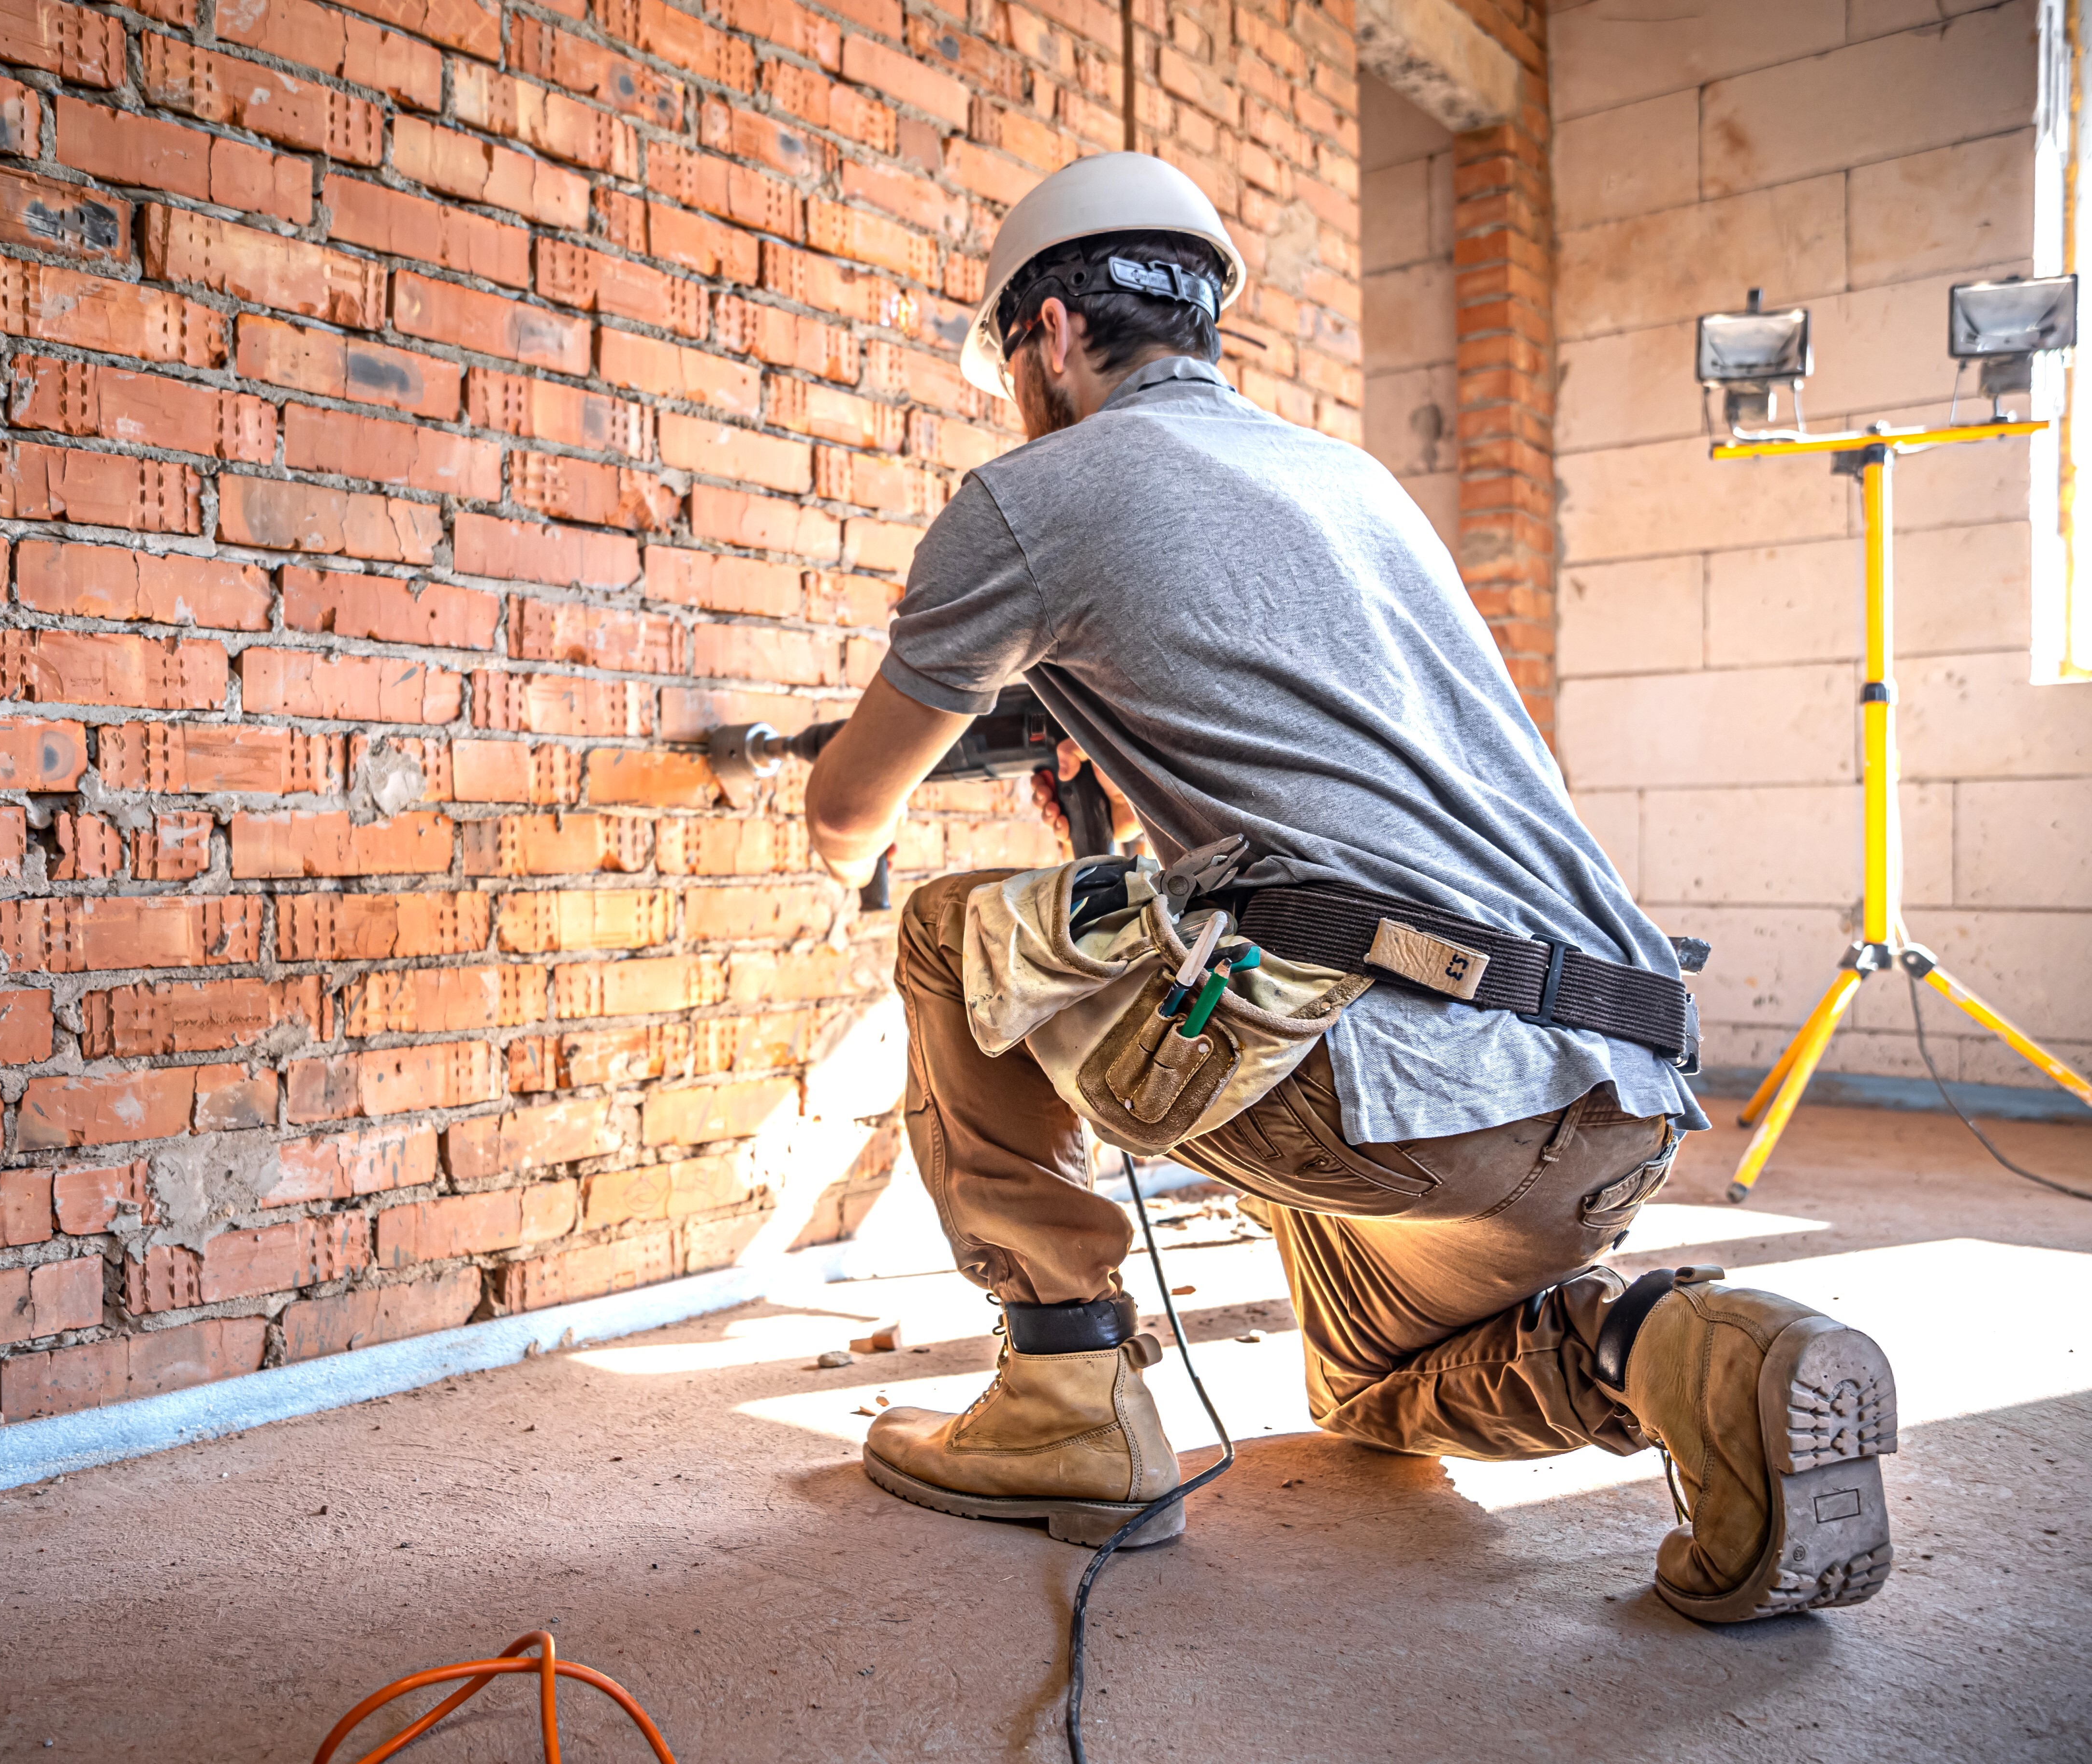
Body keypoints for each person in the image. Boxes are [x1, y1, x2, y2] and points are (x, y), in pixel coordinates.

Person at [800, 152, 1898, 1622]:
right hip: (1611, 1091)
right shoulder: (1348, 478)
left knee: (952, 935)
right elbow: (1334, 774)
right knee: (1373, 1388)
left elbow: (845, 812)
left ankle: (1061, 1385)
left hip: (1391, 1085)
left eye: (1014, 358)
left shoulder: (1030, 497)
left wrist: (903, 800)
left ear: (1050, 334)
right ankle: (1681, 1350)